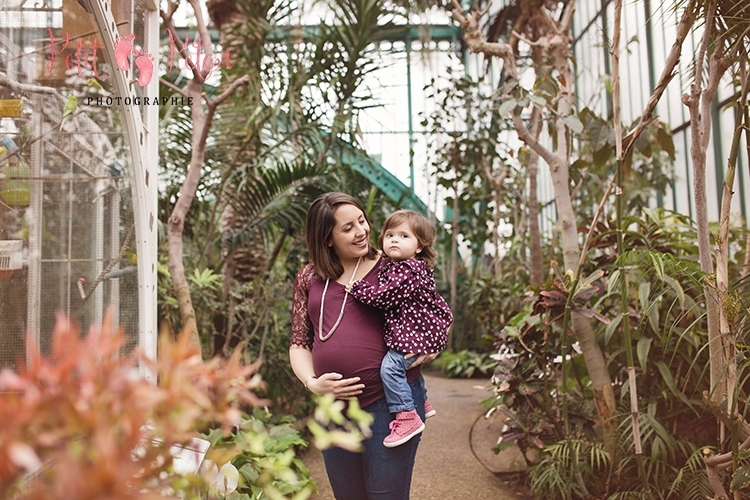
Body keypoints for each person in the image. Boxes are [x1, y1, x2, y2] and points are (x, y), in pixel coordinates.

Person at [289, 192, 436, 500]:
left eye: (362, 221)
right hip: (334, 409)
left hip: (388, 404)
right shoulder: (308, 276)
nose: (362, 231)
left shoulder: (393, 266)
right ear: (327, 238)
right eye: (348, 228)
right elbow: (300, 341)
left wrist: (431, 346)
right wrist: (312, 383)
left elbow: (430, 310)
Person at [346, 210, 452, 448]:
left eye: (404, 236)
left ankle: (407, 415)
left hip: (417, 332)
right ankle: (422, 400)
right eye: (390, 234)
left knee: (391, 367)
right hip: (415, 330)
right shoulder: (398, 265)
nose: (394, 239)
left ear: (418, 247)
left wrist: (358, 289)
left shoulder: (408, 270)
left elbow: (386, 297)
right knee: (404, 364)